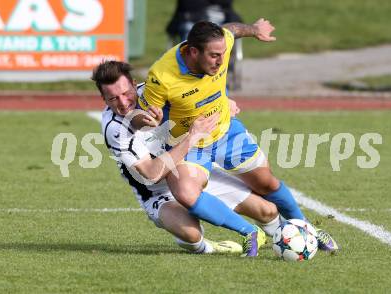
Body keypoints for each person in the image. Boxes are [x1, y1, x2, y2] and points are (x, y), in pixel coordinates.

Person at [138, 19, 340, 252]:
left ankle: (307, 230)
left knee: (266, 183)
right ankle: (249, 232)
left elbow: (232, 29)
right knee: (185, 192)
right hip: (190, 144)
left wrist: (255, 30)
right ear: (193, 52)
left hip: (226, 132)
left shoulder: (220, 45)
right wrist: (147, 119)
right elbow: (144, 117)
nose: (221, 61)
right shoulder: (161, 77)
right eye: (214, 55)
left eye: (223, 53)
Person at [91, 60, 282, 256]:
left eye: (125, 93)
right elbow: (151, 173)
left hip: (190, 171)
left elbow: (196, 91)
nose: (123, 103)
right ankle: (211, 246)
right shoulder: (115, 129)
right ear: (104, 99)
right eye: (113, 99)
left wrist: (223, 102)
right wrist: (191, 138)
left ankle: (290, 235)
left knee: (267, 211)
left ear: (134, 84)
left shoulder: (154, 91)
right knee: (191, 234)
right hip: (158, 193)